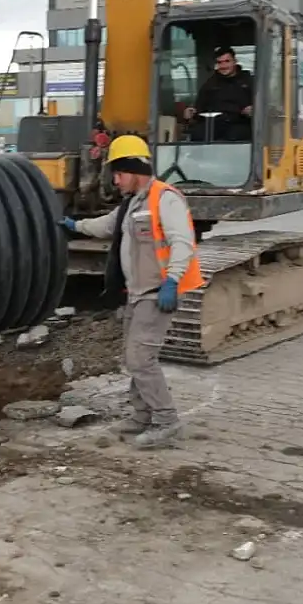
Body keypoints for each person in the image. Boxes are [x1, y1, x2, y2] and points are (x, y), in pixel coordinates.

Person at [59, 135, 204, 448]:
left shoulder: (165, 199)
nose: (115, 179)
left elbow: (182, 242)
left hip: (158, 291)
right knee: (134, 357)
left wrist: (172, 281)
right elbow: (105, 226)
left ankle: (167, 421)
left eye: (119, 173)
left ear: (135, 169)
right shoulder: (131, 204)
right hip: (136, 292)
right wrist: (73, 226)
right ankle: (141, 416)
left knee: (140, 358)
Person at [183, 46, 253, 142]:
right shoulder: (210, 83)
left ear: (235, 61)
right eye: (220, 62)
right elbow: (199, 107)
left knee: (236, 135)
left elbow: (262, 105)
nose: (223, 66)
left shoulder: (249, 81)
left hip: (240, 122)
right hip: (214, 124)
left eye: (227, 61)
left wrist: (253, 110)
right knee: (197, 134)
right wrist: (191, 112)